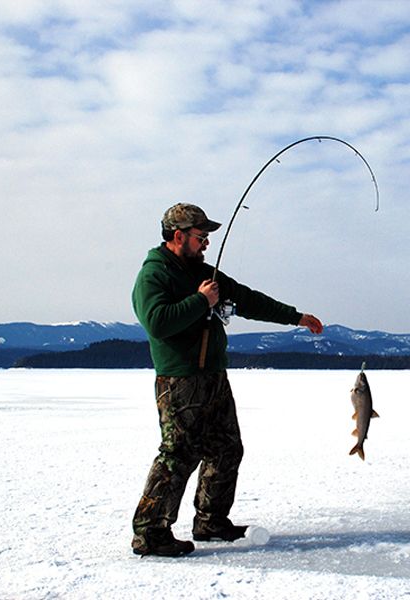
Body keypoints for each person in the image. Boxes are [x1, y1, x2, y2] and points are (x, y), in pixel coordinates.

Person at [130, 203, 323, 557]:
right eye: (200, 236)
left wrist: (295, 317)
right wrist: (201, 301)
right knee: (178, 455)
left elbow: (247, 299)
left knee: (226, 448)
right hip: (181, 381)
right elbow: (157, 322)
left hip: (214, 377)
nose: (205, 243)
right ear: (178, 237)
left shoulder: (205, 271)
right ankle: (149, 532)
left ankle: (211, 520)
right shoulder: (154, 275)